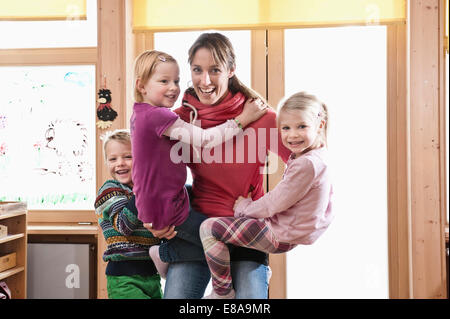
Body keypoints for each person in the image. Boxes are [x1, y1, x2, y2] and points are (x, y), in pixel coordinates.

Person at [151, 32, 292, 299]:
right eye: (197, 70)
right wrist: (154, 218)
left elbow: (303, 166)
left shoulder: (261, 118)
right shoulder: (179, 121)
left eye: (214, 70)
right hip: (195, 234)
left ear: (231, 70)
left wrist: (275, 211)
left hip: (245, 233)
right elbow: (152, 173)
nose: (205, 80)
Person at [130, 50, 267, 278]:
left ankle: (167, 251)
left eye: (175, 80)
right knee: (224, 241)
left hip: (158, 199)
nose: (173, 87)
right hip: (168, 207)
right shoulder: (158, 117)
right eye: (164, 81)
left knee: (204, 201)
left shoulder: (140, 113)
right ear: (141, 86)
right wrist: (244, 119)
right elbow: (205, 139)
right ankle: (167, 255)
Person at [199, 91, 334, 298]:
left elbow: (275, 202)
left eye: (302, 126)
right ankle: (260, 272)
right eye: (285, 128)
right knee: (229, 231)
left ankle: (222, 292)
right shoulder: (317, 154)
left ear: (320, 125)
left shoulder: (307, 164)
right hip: (293, 230)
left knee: (208, 229)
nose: (292, 135)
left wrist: (244, 207)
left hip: (280, 234)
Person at [94, 129, 163, 299]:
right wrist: (142, 188)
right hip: (124, 279)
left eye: (128, 157)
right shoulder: (110, 191)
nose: (120, 163)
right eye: (113, 159)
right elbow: (124, 225)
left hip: (152, 275)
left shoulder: (146, 191)